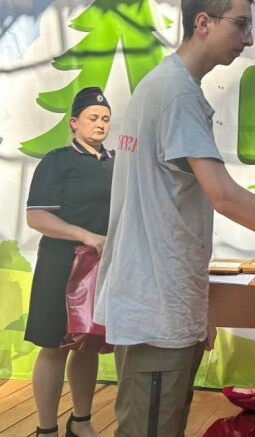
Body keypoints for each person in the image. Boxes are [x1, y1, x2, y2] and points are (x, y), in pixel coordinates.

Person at [94, 0, 255, 437]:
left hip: (164, 302)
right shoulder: (177, 93)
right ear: (202, 22)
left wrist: (197, 306)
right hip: (157, 309)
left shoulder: (167, 86)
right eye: (240, 24)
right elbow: (223, 195)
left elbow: (171, 209)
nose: (249, 39)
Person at [25, 87, 114, 437]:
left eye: (105, 119)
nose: (100, 124)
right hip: (60, 267)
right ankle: (46, 429)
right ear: (74, 122)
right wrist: (85, 235)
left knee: (87, 345)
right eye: (93, 118)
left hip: (100, 268)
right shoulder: (57, 160)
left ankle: (82, 422)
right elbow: (37, 217)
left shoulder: (116, 163)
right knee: (53, 347)